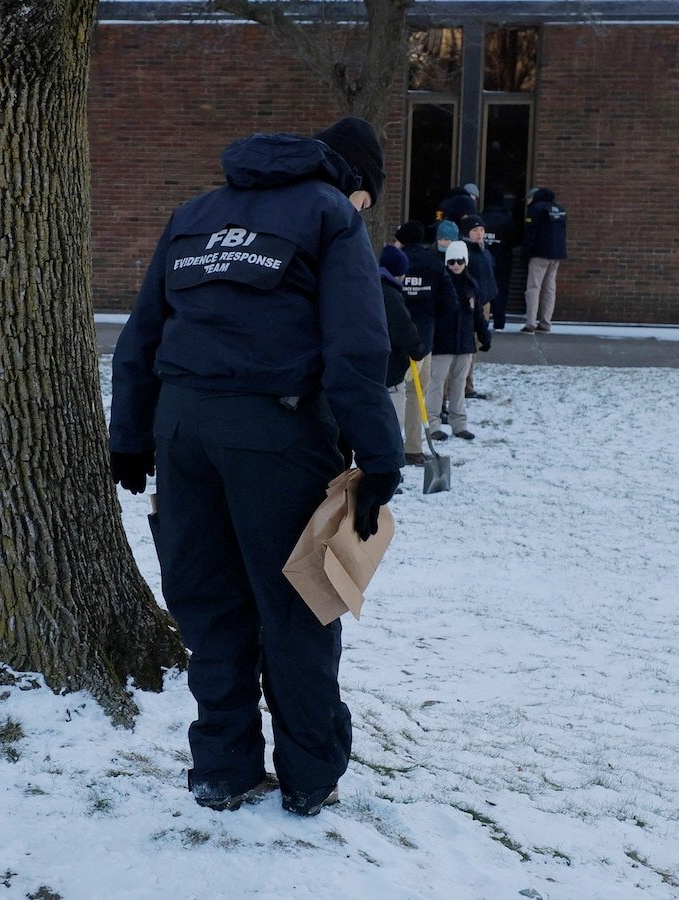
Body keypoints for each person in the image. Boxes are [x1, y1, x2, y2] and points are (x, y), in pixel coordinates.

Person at [109, 116, 404, 818]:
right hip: (276, 429)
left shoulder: (196, 213)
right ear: (355, 182)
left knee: (209, 604)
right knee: (299, 602)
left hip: (181, 427)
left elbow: (142, 332)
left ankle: (222, 767)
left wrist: (130, 435)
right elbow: (356, 349)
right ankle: (308, 776)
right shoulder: (333, 215)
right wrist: (382, 456)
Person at [397, 224, 453, 466]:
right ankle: (413, 448)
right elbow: (449, 302)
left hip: (395, 341)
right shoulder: (434, 264)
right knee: (415, 395)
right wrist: (430, 319)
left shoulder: (392, 262)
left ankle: (390, 448)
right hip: (423, 341)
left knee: (394, 396)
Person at [427, 240, 490, 442]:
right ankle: (433, 423)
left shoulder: (472, 285)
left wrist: (483, 335)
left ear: (466, 261)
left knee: (459, 384)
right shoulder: (440, 284)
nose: (455, 265)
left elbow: (478, 314)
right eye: (451, 261)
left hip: (464, 344)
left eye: (460, 261)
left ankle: (459, 424)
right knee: (437, 384)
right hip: (442, 343)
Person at [379, 247, 429, 421]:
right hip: (389, 373)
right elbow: (402, 327)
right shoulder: (389, 294)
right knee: (392, 422)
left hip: (370, 370)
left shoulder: (368, 287)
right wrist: (418, 352)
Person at [458, 216, 499, 400]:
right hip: (473, 303)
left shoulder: (484, 251)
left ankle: (467, 385)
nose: (479, 233)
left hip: (485, 301)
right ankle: (464, 386)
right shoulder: (465, 253)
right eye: (475, 231)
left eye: (481, 230)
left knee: (476, 345)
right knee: (469, 346)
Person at [522, 187, 568, 333]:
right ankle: (546, 322)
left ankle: (530, 323)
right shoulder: (559, 208)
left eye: (528, 199)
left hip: (540, 253)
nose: (528, 202)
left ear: (533, 197)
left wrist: (526, 252)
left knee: (533, 288)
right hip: (557, 254)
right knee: (550, 288)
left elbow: (530, 232)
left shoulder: (536, 208)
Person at [480, 185, 520, 330]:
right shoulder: (507, 219)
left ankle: (482, 321)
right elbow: (514, 239)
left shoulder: (481, 218)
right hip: (503, 258)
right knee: (501, 290)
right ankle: (499, 322)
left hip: (484, 258)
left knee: (482, 289)